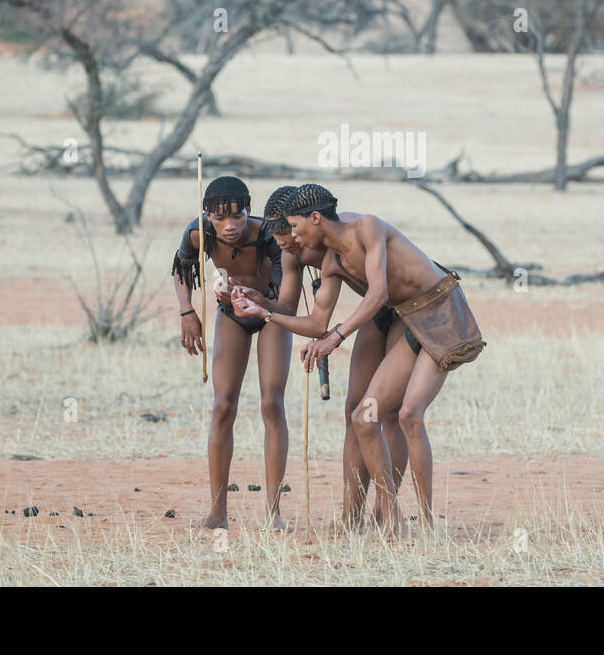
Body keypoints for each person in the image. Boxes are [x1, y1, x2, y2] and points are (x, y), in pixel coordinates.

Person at [267, 183, 484, 534]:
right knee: (363, 416)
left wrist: (337, 337)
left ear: (316, 217)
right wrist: (262, 311)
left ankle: (425, 525)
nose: (291, 236)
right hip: (407, 317)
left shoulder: (367, 227)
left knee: (408, 414)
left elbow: (379, 292)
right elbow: (318, 322)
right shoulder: (331, 262)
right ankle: (388, 518)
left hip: (438, 313)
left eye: (294, 226)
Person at [232, 185, 409, 528]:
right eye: (277, 235)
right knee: (354, 411)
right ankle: (351, 517)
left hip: (404, 310)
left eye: (288, 232)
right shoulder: (292, 250)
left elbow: (370, 297)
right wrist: (261, 304)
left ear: (306, 222)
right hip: (375, 314)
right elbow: (302, 317)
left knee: (386, 414)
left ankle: (386, 512)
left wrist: (336, 336)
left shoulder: (344, 236)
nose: (283, 243)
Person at [171, 176, 300, 531]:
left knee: (271, 403)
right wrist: (187, 312)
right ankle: (218, 513)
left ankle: (273, 513)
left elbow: (285, 297)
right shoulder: (198, 233)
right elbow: (181, 268)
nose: (230, 226)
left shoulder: (268, 235)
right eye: (220, 218)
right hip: (231, 313)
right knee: (223, 405)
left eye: (238, 217)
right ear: (207, 216)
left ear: (248, 210)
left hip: (271, 312)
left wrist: (258, 300)